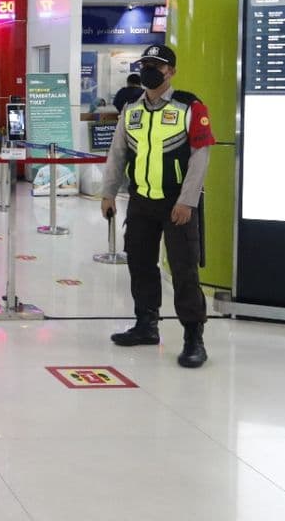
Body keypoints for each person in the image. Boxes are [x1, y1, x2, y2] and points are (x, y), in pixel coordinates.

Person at [100, 44, 213, 368]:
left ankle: (194, 337)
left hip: (176, 204)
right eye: (146, 64)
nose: (151, 70)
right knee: (140, 264)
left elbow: (200, 157)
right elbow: (118, 153)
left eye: (158, 65)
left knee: (183, 270)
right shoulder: (132, 110)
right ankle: (146, 325)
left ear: (171, 71)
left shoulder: (190, 106)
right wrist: (108, 193)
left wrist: (187, 201)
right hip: (141, 201)